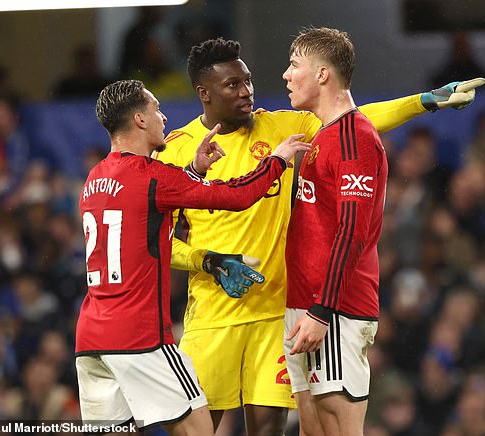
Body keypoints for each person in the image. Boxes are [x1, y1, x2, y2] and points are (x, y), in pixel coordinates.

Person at [153, 37, 483, 435]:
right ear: (204, 93)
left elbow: (355, 120)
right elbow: (156, 242)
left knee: (278, 429)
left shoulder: (283, 126)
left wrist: (424, 101)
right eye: (232, 86)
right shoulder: (176, 151)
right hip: (211, 318)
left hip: (279, 314)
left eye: (248, 81)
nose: (246, 92)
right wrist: (208, 260)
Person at [74, 79, 309, 435]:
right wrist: (276, 160)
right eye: (155, 109)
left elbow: (145, 210)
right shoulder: (151, 176)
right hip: (142, 338)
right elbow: (237, 196)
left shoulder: (95, 179)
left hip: (91, 340)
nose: (163, 117)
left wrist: (193, 172)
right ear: (139, 119)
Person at [280, 27, 483, 435]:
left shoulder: (355, 140)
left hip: (332, 310)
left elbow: (352, 232)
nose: (285, 75)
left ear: (322, 75)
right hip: (306, 306)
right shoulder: (326, 134)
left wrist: (323, 310)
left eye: (294, 65)